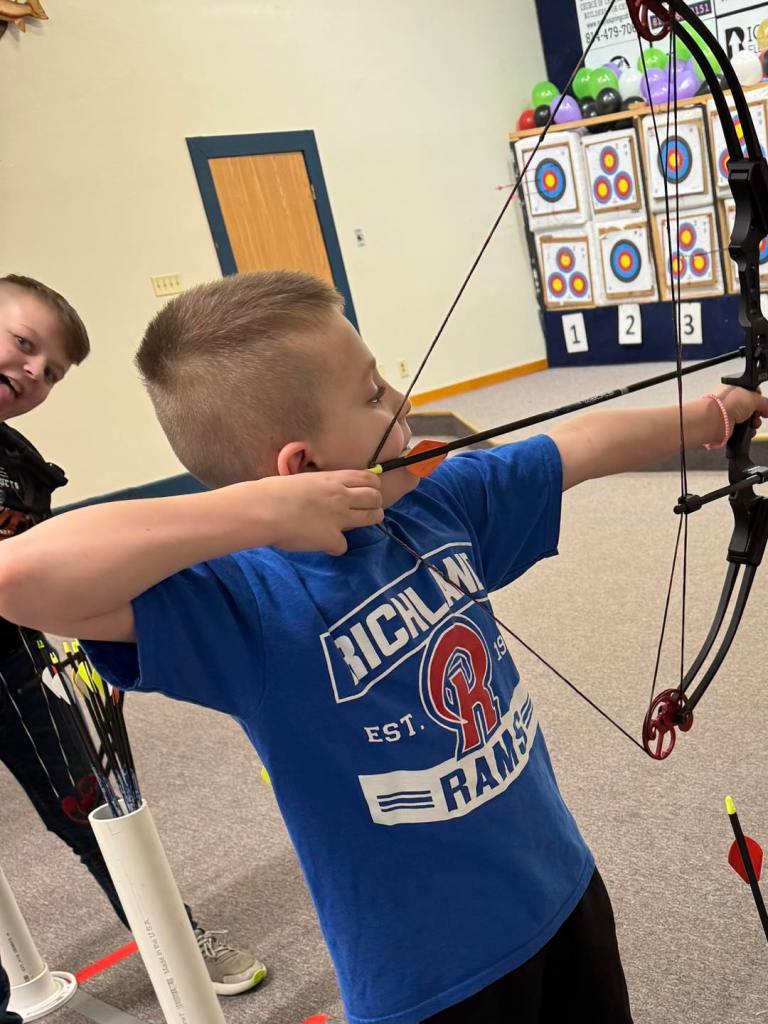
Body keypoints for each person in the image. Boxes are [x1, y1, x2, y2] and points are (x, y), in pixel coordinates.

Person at [0, 270, 763, 1024]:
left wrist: (713, 412)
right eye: (371, 395)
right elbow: (18, 576)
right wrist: (258, 514)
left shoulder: (437, 503)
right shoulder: (244, 604)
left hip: (561, 890)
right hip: (429, 982)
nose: (400, 403)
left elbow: (578, 444)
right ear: (298, 468)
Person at [0, 275, 266, 997]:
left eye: (49, 372)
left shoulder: (15, 463)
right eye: (24, 344)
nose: (31, 372)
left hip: (11, 665)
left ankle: (170, 933)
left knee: (87, 801)